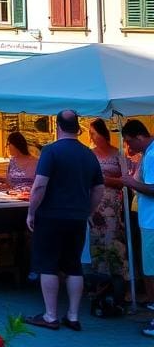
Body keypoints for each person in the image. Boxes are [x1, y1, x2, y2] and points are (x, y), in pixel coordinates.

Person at [24, 110, 104, 332]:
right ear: (77, 127)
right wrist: (88, 210)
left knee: (48, 264)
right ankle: (73, 315)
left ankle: (50, 315)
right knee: (73, 265)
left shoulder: (51, 151)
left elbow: (40, 185)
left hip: (51, 216)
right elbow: (99, 188)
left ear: (58, 126)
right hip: (77, 217)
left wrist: (31, 211)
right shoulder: (89, 154)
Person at [120, 119, 154, 338]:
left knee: (151, 271)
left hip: (151, 222)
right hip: (148, 220)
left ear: (139, 136)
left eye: (130, 142)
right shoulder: (148, 153)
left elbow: (152, 188)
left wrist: (129, 182)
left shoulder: (151, 155)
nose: (130, 148)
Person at [87, 118, 128, 281]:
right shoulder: (90, 154)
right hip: (95, 202)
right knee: (96, 238)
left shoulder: (117, 154)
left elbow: (126, 180)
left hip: (112, 202)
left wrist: (105, 180)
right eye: (90, 134)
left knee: (112, 238)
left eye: (94, 133)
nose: (91, 137)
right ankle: (99, 277)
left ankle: (116, 276)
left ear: (102, 133)